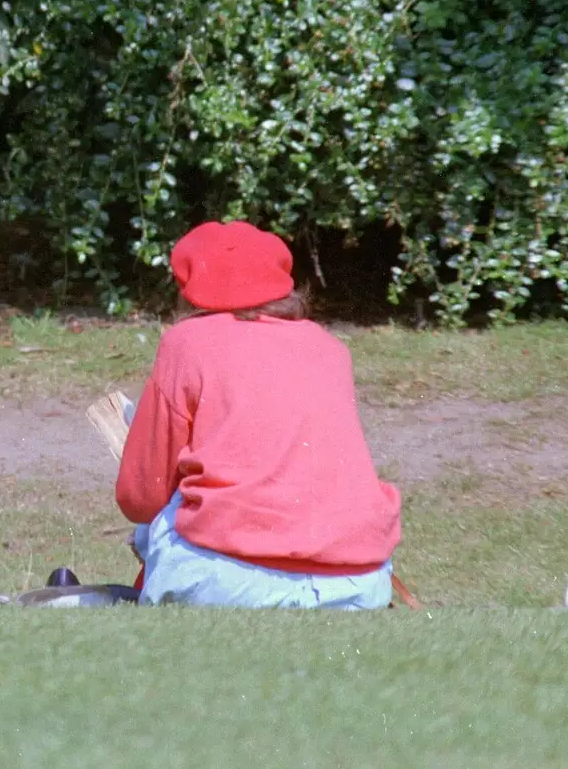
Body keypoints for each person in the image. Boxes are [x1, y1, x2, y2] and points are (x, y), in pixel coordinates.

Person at [115, 220, 402, 608]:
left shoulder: (186, 343)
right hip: (356, 583)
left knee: (169, 505)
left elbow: (140, 497)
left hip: (228, 581)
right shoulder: (330, 349)